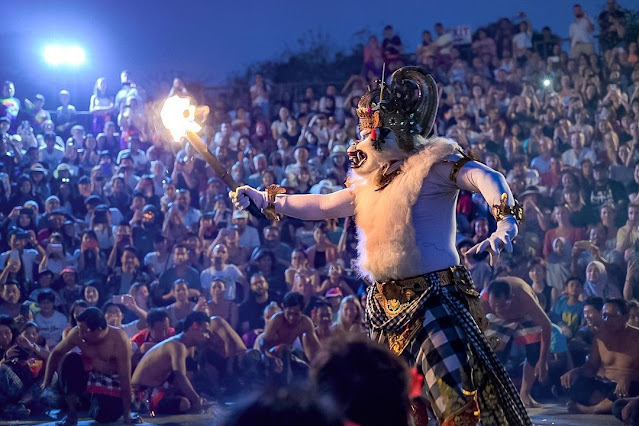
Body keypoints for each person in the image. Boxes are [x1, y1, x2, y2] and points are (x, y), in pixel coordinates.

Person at [232, 67, 530, 425]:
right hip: (383, 309)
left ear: (395, 130)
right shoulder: (368, 184)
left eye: (371, 130)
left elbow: (487, 177)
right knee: (396, 408)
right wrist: (266, 199)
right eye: (362, 132)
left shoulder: (433, 165)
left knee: (455, 403)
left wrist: (505, 222)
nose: (363, 140)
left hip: (433, 301)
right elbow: (323, 205)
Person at [41, 307, 139, 425]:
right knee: (69, 360)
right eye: (79, 329)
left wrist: (127, 414)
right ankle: (72, 413)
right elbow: (56, 353)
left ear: (98, 330)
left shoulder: (119, 340)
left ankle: (93, 404)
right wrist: (47, 380)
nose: (80, 334)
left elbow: (125, 379)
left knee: (103, 415)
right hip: (86, 377)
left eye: (84, 331)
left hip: (111, 382)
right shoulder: (77, 333)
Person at [482, 277, 552, 408]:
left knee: (534, 352)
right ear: (489, 299)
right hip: (497, 321)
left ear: (511, 298)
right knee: (495, 354)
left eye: (502, 305)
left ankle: (525, 393)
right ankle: (494, 393)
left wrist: (543, 361)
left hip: (524, 314)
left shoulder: (524, 298)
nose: (498, 309)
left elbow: (546, 325)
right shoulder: (482, 302)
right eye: (494, 305)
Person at [561, 299, 639, 414]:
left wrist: (629, 379)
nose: (607, 320)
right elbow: (591, 367)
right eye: (604, 316)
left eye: (613, 316)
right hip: (605, 387)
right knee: (571, 382)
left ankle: (592, 409)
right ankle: (606, 405)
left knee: (624, 393)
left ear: (625, 318)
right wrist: (576, 372)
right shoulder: (599, 337)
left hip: (629, 387)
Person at [131, 312, 210, 415]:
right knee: (185, 404)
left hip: (159, 388)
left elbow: (185, 377)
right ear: (194, 326)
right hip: (142, 394)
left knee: (199, 395)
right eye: (205, 332)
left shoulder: (188, 347)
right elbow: (180, 376)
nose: (207, 336)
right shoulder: (177, 346)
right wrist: (196, 400)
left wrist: (197, 398)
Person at [259, 292, 321, 384]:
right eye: (289, 313)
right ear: (283, 308)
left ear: (302, 311)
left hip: (289, 355)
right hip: (270, 355)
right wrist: (273, 358)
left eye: (296, 314)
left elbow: (316, 347)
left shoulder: (305, 323)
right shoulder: (277, 320)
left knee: (305, 365)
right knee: (284, 348)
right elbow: (263, 345)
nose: (292, 318)